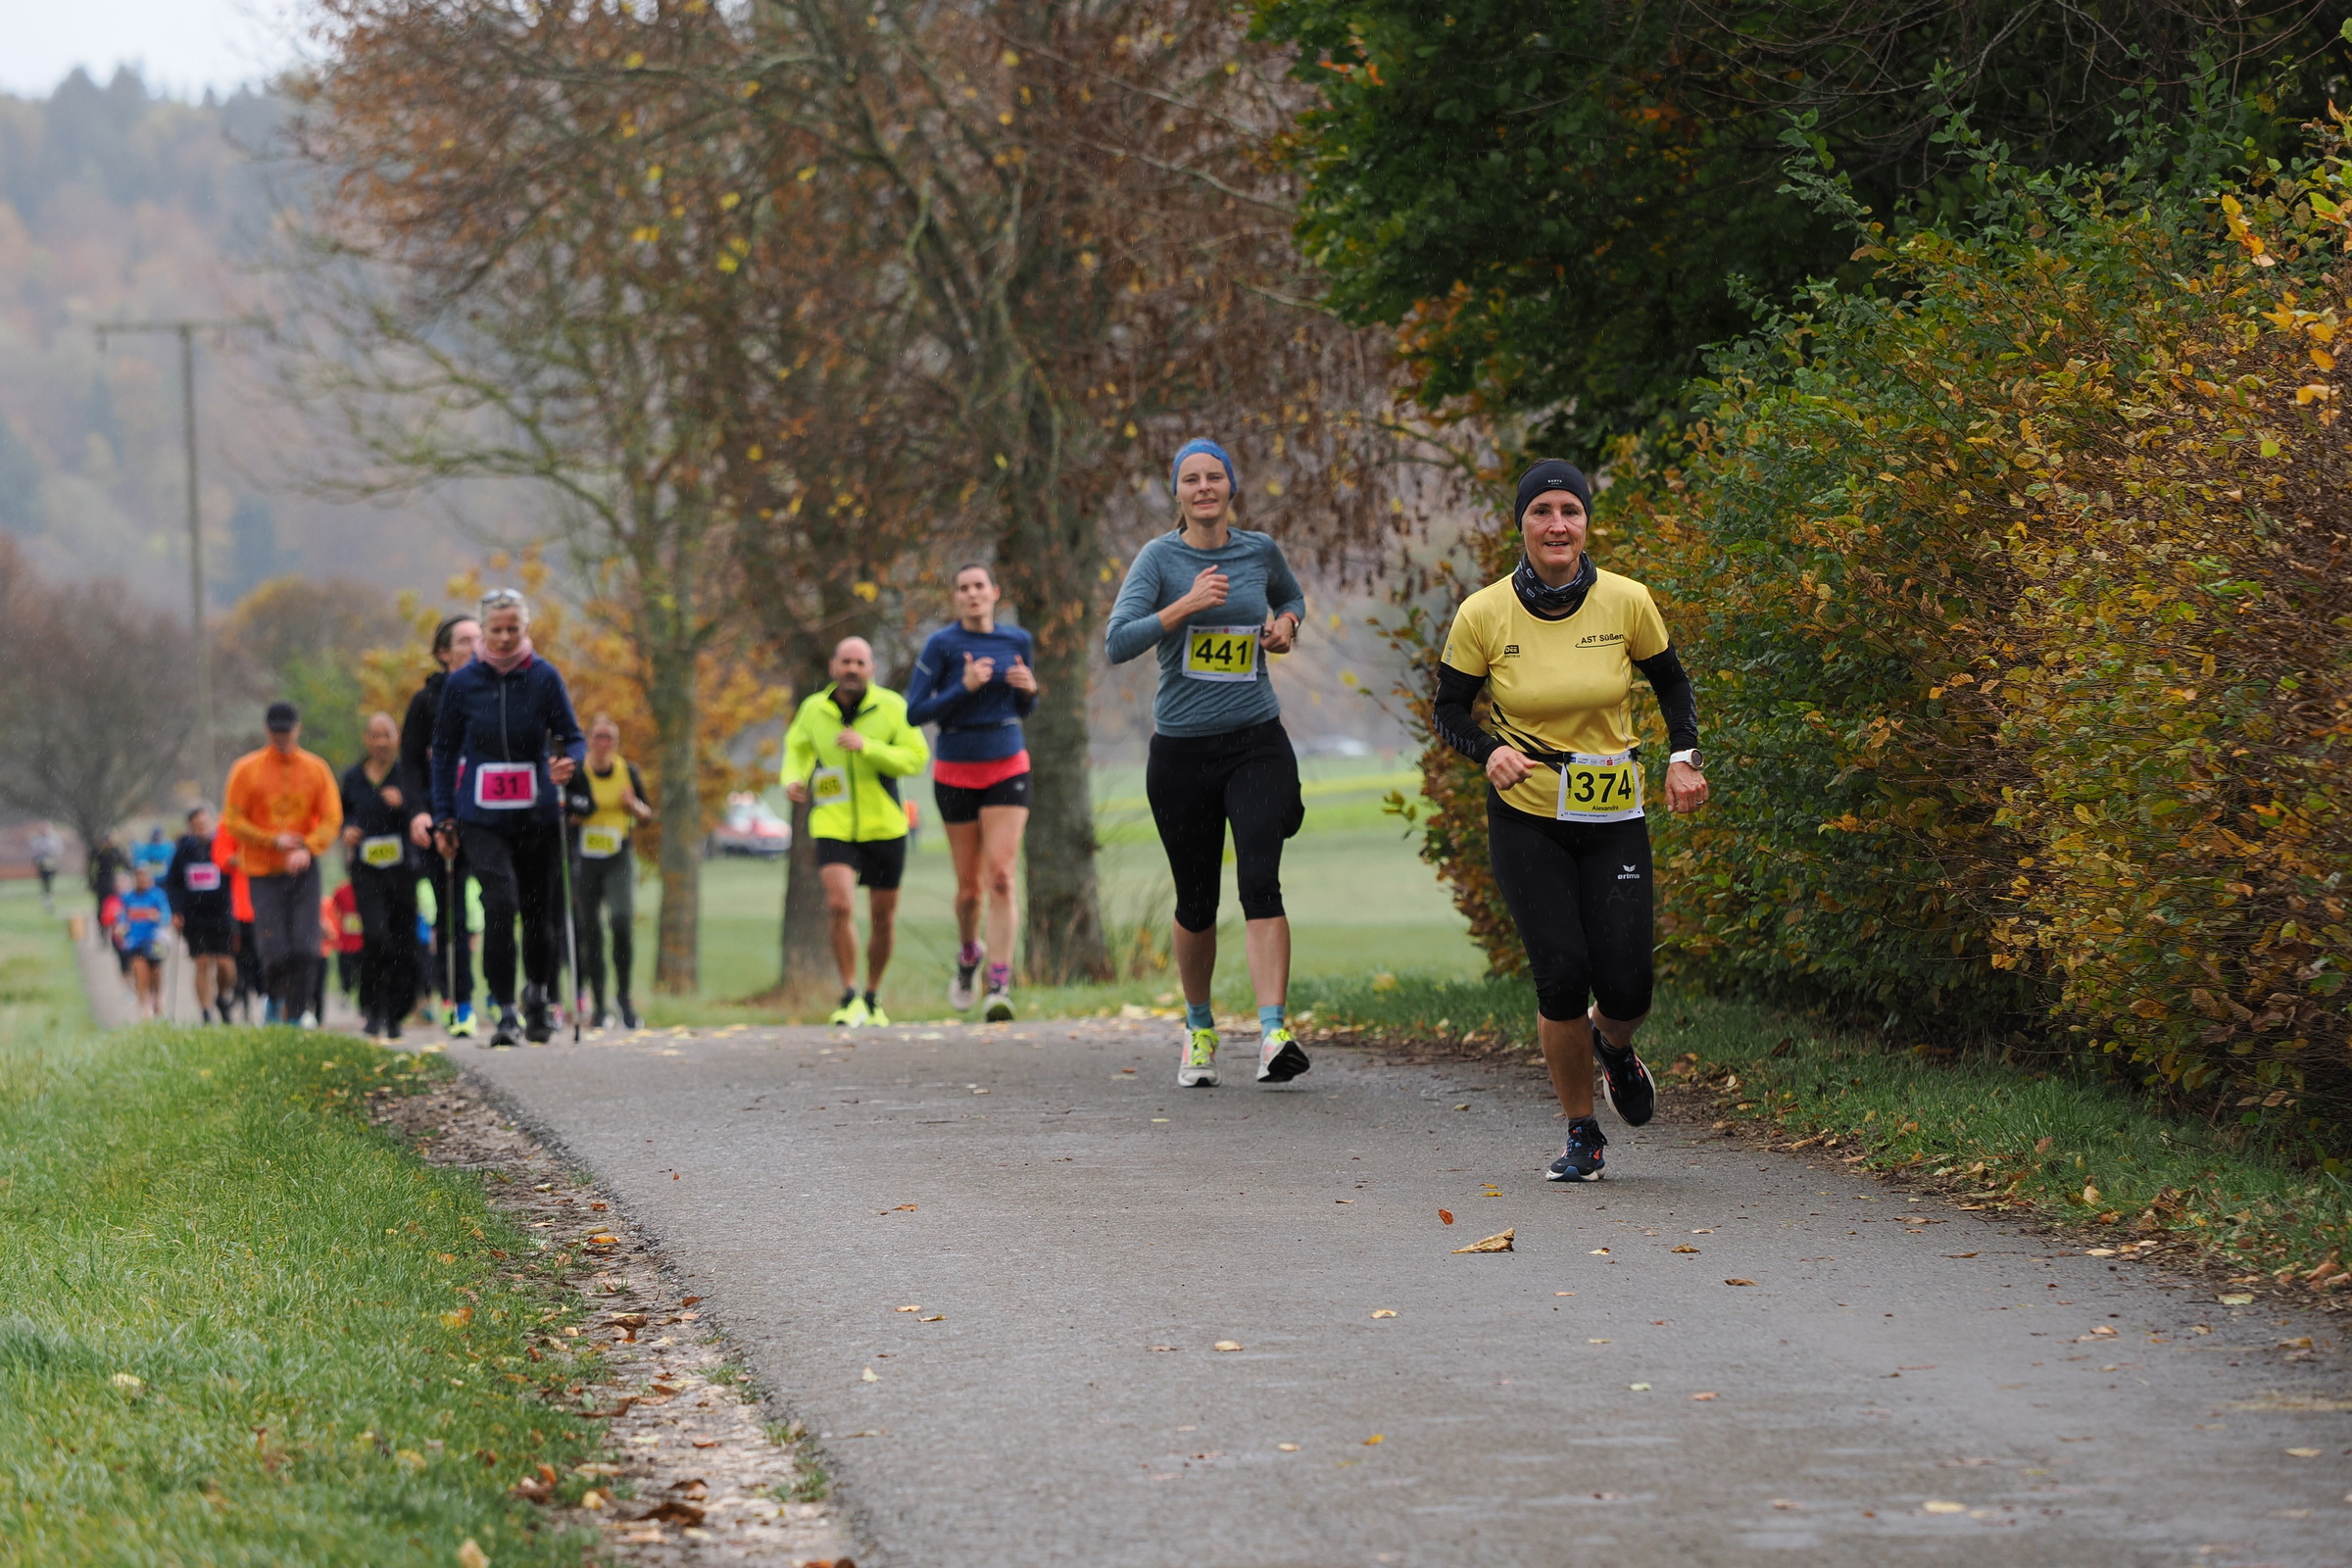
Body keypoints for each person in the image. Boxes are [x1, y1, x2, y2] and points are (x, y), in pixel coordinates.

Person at [1432, 459, 1707, 1182]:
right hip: (1528, 816)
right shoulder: (1484, 612)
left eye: (1570, 511)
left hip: (1612, 810)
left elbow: (1671, 683)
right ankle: (1582, 1131)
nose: (1557, 525)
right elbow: (1449, 708)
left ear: (1587, 522)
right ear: (1521, 525)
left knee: (1628, 985)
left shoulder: (1626, 600)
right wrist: (1489, 751)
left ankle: (1612, 1044)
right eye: (1542, 512)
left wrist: (1684, 757)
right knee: (1560, 973)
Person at [1105, 437, 1310, 1090]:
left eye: (1214, 477)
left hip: (1255, 741)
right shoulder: (1158, 559)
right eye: (1190, 479)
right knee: (1196, 901)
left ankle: (1274, 1033)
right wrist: (1183, 607)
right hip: (1182, 752)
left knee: (1260, 878)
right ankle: (1198, 1028)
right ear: (1177, 492)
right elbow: (1117, 642)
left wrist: (1286, 626)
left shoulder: (1258, 551)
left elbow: (1292, 599)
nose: (1203, 488)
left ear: (1230, 487)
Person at [430, 589, 585, 1047]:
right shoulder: (463, 684)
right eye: (496, 629)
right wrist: (444, 817)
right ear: (484, 630)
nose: (503, 637)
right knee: (499, 906)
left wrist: (568, 763)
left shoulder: (544, 676)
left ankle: (537, 996)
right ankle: (504, 1010)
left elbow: (572, 737)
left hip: (537, 814)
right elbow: (444, 753)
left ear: (525, 627)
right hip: (481, 817)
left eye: (512, 629)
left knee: (539, 914)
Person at [905, 564, 1037, 1021]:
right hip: (956, 768)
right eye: (963, 588)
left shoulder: (1017, 640)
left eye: (979, 585)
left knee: (1001, 877)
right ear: (956, 598)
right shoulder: (941, 645)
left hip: (1007, 762)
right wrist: (962, 688)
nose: (972, 593)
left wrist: (1030, 691)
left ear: (995, 592)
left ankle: (999, 985)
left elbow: (1025, 706)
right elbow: (914, 712)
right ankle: (968, 955)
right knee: (969, 891)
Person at [782, 636, 929, 1028]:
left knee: (883, 917)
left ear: (871, 669)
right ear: (833, 666)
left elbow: (916, 758)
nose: (852, 669)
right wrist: (793, 777)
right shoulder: (814, 709)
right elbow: (797, 748)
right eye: (845, 661)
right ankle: (849, 995)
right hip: (833, 822)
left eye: (860, 662)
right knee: (840, 904)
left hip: (885, 825)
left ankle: (872, 995)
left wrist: (868, 746)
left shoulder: (893, 707)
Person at [222, 702, 343, 1028]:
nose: (282, 738)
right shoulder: (246, 770)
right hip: (263, 873)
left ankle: (297, 1014)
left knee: (306, 948)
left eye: (287, 732)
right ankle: (274, 999)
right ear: (267, 731)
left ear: (298, 729)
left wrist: (308, 846)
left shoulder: (316, 769)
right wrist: (272, 839)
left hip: (303, 871)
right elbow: (233, 820)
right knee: (274, 948)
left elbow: (332, 818)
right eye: (276, 732)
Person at [402, 613, 483, 1037]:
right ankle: (459, 999)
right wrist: (419, 812)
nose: (475, 645)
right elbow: (411, 765)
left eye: (479, 638)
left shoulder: (498, 691)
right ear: (443, 652)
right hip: (442, 821)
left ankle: (505, 997)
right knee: (452, 917)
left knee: (501, 905)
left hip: (489, 817)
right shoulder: (425, 702)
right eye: (465, 640)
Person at [562, 714, 653, 1030]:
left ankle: (624, 998)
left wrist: (634, 805)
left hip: (618, 857)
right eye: (598, 736)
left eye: (609, 737)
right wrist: (573, 818)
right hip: (585, 859)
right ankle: (599, 1005)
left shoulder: (628, 772)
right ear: (589, 740)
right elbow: (563, 812)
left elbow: (647, 815)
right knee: (591, 931)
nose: (603, 743)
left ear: (616, 742)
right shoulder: (577, 773)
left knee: (621, 920)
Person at [341, 710, 419, 1039]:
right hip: (367, 870)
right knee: (376, 936)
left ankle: (396, 1013)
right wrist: (346, 830)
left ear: (396, 738)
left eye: (387, 734)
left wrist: (404, 804)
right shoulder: (352, 778)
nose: (382, 742)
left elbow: (424, 810)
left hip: (403, 870)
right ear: (366, 740)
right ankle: (372, 1007)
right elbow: (342, 815)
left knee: (403, 940)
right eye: (375, 735)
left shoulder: (407, 774)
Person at [164, 805, 237, 1024]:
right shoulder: (183, 851)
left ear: (211, 823)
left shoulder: (223, 846)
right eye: (196, 825)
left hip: (222, 914)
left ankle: (222, 997)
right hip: (194, 916)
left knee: (226, 966)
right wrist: (176, 911)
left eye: (204, 823)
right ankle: (205, 1011)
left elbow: (235, 877)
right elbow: (173, 883)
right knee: (202, 963)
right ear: (191, 827)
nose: (201, 828)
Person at [213, 816, 258, 1022]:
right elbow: (222, 858)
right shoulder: (229, 822)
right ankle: (231, 1000)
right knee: (238, 963)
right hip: (236, 911)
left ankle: (249, 1002)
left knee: (257, 962)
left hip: (262, 910)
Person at [115, 865, 172, 1019]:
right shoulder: (128, 898)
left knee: (155, 973)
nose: (142, 880)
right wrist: (121, 926)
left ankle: (157, 1000)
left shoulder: (157, 895)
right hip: (135, 942)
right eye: (139, 877)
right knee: (141, 975)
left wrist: (159, 917)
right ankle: (144, 1009)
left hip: (155, 942)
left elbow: (166, 915)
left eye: (145, 877)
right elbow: (122, 916)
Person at [86, 834, 127, 940]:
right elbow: (91, 867)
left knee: (113, 907)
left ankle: (114, 930)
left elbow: (125, 863)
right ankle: (102, 930)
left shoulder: (114, 852)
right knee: (101, 908)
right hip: (100, 884)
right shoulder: (97, 852)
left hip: (112, 884)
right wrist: (91, 882)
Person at [27, 821, 62, 913]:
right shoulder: (38, 839)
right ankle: (47, 899)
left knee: (50, 881)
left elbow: (58, 849)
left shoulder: (54, 838)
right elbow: (35, 851)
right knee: (45, 882)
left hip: (51, 862)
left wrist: (50, 852)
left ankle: (50, 898)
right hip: (42, 863)